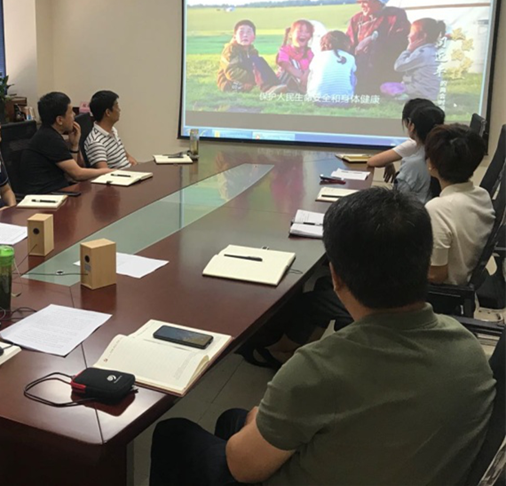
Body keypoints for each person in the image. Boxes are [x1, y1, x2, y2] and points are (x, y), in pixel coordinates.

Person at [150, 187, 495, 486]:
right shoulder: (468, 349)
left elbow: (242, 468)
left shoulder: (318, 369)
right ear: (423, 262)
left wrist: (259, 418)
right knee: (230, 420)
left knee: (174, 433)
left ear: (336, 276)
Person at [424, 123, 495, 286]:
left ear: (431, 164)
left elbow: (436, 275)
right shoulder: (482, 195)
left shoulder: (439, 209)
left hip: (442, 291)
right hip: (466, 279)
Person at [21, 92, 113, 194]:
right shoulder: (49, 138)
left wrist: (74, 145)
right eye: (70, 112)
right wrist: (110, 171)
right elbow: (77, 174)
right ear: (60, 120)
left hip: (59, 191)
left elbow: (71, 175)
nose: (74, 115)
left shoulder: (49, 134)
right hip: (46, 196)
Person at [346, 0, 410, 95]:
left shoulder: (395, 16)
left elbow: (400, 44)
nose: (361, 5)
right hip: (359, 72)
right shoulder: (356, 19)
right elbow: (348, 44)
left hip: (384, 70)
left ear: (378, 0)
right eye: (360, 1)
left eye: (365, 1)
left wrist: (372, 40)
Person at [367, 97, 435, 183]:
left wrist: (388, 161)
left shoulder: (413, 145)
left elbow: (372, 161)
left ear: (410, 124)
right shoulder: (442, 141)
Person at [392, 103, 446, 203]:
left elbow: (398, 201)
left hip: (415, 211)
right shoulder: (444, 154)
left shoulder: (412, 163)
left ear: (411, 126)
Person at [382, 18, 446, 100]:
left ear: (423, 36)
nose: (408, 35)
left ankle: (405, 96)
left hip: (420, 91)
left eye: (411, 32)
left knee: (385, 86)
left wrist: (408, 50)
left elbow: (398, 66)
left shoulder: (421, 53)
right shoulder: (432, 50)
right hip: (431, 92)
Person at [217, 20, 285, 94]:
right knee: (257, 68)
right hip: (229, 83)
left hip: (248, 81)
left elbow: (258, 68)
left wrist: (256, 78)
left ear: (254, 37)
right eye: (241, 32)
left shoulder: (252, 51)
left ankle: (274, 85)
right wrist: (255, 77)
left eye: (249, 32)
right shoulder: (230, 50)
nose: (245, 35)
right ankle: (267, 88)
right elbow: (231, 73)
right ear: (234, 36)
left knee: (259, 61)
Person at [82, 90, 137, 169]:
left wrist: (134, 164)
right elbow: (104, 172)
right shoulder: (96, 142)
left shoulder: (112, 130)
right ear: (108, 112)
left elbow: (127, 157)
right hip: (121, 176)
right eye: (116, 106)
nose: (119, 110)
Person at [306, 31, 356, 103]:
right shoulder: (350, 57)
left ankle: (311, 94)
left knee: (312, 73)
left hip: (317, 99)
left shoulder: (318, 56)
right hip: (343, 101)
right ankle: (348, 95)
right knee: (352, 74)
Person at [276, 20, 314, 94]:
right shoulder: (284, 50)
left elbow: (312, 68)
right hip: (285, 82)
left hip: (304, 83)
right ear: (291, 34)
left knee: (312, 67)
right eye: (300, 31)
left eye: (307, 32)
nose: (303, 34)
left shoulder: (309, 53)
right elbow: (287, 66)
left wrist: (306, 74)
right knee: (293, 62)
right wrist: (302, 77)